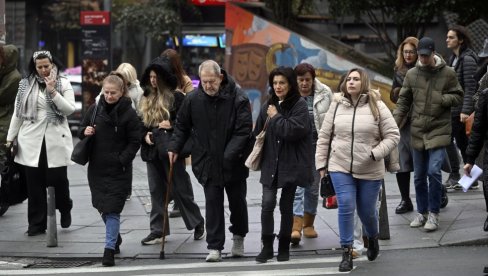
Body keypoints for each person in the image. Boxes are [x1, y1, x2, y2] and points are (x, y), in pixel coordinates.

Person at [316, 68, 400, 272]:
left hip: (370, 168)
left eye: (356, 79)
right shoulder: (336, 105)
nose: (351, 82)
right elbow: (325, 136)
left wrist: (375, 153)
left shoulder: (377, 105)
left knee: (367, 212)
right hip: (340, 165)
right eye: (348, 79)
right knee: (345, 205)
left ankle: (372, 237)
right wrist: (321, 164)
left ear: (363, 83)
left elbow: (393, 135)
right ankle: (346, 251)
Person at [168, 60, 252, 262]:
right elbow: (181, 126)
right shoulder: (193, 99)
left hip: (234, 162)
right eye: (204, 82)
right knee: (213, 204)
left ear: (220, 77)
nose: (208, 86)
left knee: (237, 203)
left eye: (211, 81)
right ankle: (215, 246)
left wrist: (228, 156)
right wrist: (174, 147)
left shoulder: (238, 97)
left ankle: (238, 237)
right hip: (207, 161)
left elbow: (243, 130)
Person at [393, 37, 463, 232]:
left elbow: (459, 95)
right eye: (420, 55)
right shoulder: (412, 74)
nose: (422, 59)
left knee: (433, 171)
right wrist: (393, 126)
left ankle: (434, 213)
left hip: (439, 130)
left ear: (433, 53)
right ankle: (422, 212)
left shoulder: (448, 73)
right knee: (419, 176)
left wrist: (441, 99)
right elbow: (403, 102)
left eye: (425, 55)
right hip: (417, 131)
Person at [6, 50, 75, 236]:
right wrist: (9, 139)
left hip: (56, 139)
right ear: (34, 67)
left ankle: (65, 206)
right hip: (30, 140)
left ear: (52, 64)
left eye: (47, 66)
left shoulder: (63, 82)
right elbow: (17, 114)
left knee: (58, 180)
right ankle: (36, 224)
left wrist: (53, 91)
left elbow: (69, 110)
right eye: (40, 67)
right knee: (34, 184)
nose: (44, 70)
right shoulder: (24, 85)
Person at [138, 56, 205, 246]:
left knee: (180, 189)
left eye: (156, 76)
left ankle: (197, 222)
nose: (152, 80)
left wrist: (171, 125)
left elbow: (187, 124)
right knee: (156, 191)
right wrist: (145, 136)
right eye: (150, 76)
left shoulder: (176, 97)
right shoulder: (146, 98)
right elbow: (139, 125)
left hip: (171, 151)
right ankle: (157, 230)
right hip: (152, 151)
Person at [79, 72, 141, 266]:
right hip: (96, 168)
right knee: (100, 205)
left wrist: (122, 159)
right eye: (106, 92)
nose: (109, 96)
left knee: (112, 209)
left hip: (118, 170)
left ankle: (109, 250)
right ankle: (116, 238)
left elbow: (135, 140)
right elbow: (81, 130)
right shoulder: (94, 110)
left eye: (113, 93)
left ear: (121, 92)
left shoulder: (129, 113)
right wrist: (85, 131)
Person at [253, 66, 313, 263]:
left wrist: (276, 117)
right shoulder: (268, 105)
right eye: (275, 83)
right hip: (271, 163)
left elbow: (294, 131)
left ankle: (283, 246)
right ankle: (267, 247)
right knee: (267, 204)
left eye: (282, 83)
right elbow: (257, 132)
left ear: (290, 84)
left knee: (286, 206)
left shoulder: (299, 105)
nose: (278, 87)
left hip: (291, 164)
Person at [290, 63, 332, 245]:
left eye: (308, 79)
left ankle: (309, 224)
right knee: (298, 187)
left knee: (313, 187)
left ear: (313, 79)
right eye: (301, 80)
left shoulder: (325, 93)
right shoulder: (290, 94)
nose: (304, 83)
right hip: (297, 146)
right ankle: (295, 226)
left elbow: (331, 119)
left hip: (318, 145)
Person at [160, 49, 195, 218]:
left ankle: (182, 202)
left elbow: (191, 103)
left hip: (178, 127)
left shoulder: (184, 80)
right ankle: (174, 198)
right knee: (167, 169)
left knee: (178, 168)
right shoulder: (161, 79)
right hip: (162, 126)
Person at [445, 25, 479, 190]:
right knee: (462, 143)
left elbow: (470, 88)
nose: (447, 40)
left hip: (461, 111)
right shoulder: (453, 58)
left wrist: (466, 110)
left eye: (451, 37)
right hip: (454, 109)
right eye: (447, 37)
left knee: (447, 139)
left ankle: (455, 175)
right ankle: (470, 178)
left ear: (461, 40)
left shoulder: (467, 59)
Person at [390, 37, 419, 214]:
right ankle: (405, 199)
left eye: (411, 51)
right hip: (402, 121)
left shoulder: (424, 69)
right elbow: (394, 96)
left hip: (420, 121)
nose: (408, 55)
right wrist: (398, 92)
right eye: (405, 51)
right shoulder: (399, 70)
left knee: (423, 162)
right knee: (402, 162)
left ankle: (439, 192)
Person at [0, 44, 21, 216]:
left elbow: (2, 96)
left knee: (3, 163)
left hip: (4, 122)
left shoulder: (14, 77)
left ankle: (4, 198)